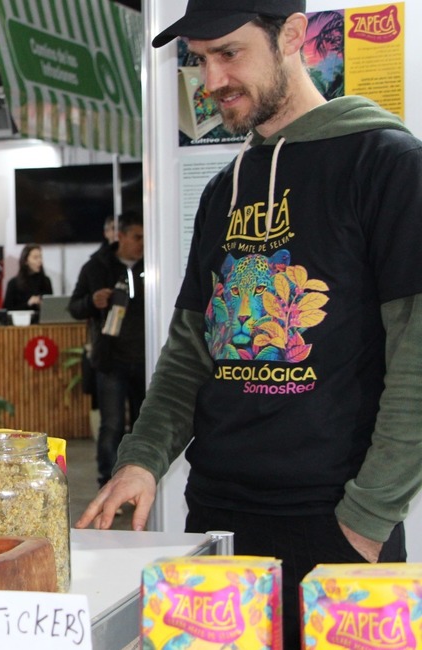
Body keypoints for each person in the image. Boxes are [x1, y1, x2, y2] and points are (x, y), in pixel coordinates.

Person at [78, 2, 422, 647]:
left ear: (292, 36)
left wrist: (369, 516)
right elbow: (190, 350)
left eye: (228, 53)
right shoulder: (223, 188)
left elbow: (418, 357)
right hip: (219, 518)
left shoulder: (389, 164)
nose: (210, 81)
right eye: (199, 59)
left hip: (338, 522)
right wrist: (144, 460)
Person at [68, 210, 145, 489]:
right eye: (137, 237)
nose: (142, 243)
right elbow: (74, 307)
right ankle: (108, 483)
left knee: (143, 426)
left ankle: (139, 482)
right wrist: (92, 301)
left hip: (146, 359)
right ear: (120, 236)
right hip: (110, 360)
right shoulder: (96, 267)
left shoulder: (154, 267)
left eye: (145, 237)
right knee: (111, 426)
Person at [2, 244, 53, 314]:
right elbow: (7, 310)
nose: (40, 261)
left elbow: (51, 308)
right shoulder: (13, 283)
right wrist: (28, 303)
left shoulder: (46, 281)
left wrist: (42, 305)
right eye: (35, 258)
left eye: (40, 257)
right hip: (20, 323)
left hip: (42, 322)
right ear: (26, 261)